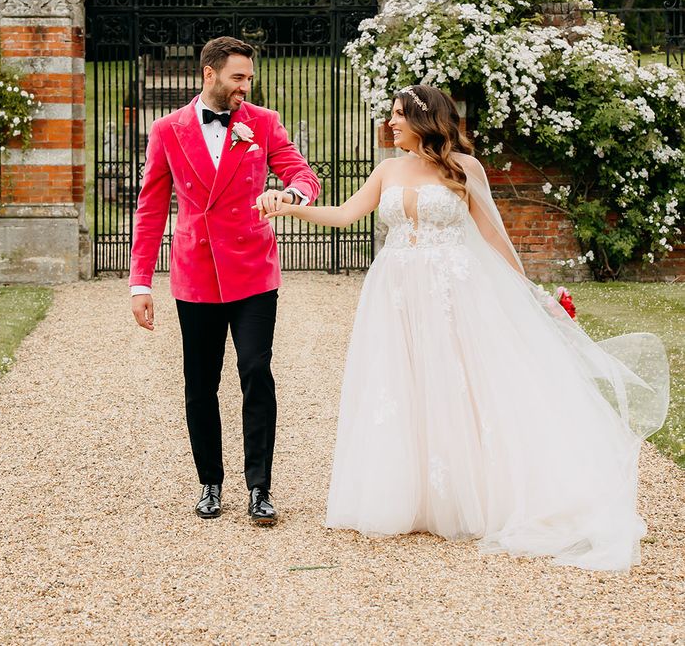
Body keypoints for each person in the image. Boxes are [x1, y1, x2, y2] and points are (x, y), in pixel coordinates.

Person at [261, 84, 669, 570]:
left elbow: (495, 237)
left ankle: (468, 494)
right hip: (394, 292)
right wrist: (288, 207)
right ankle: (410, 498)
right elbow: (346, 214)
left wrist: (531, 295)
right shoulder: (387, 169)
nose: (390, 123)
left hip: (453, 292)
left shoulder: (464, 168)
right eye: (390, 114)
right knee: (403, 384)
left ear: (425, 119)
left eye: (397, 115)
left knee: (462, 384)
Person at [130, 36, 320, 525]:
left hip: (254, 270)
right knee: (201, 382)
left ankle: (260, 487)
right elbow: (151, 209)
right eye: (238, 77)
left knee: (256, 372)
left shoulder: (263, 122)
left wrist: (293, 195)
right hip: (196, 273)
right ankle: (210, 483)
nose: (245, 86)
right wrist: (140, 283)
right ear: (209, 74)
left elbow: (303, 175)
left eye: (249, 78)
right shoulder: (167, 130)